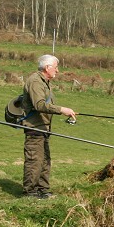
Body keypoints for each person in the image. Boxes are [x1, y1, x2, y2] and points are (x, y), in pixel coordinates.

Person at [18, 54, 76, 199]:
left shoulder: (45, 82)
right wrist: (61, 110)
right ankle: (30, 192)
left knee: (45, 161)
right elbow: (39, 105)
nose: (57, 71)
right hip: (34, 127)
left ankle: (43, 190)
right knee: (34, 161)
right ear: (47, 67)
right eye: (56, 67)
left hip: (43, 128)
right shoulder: (36, 81)